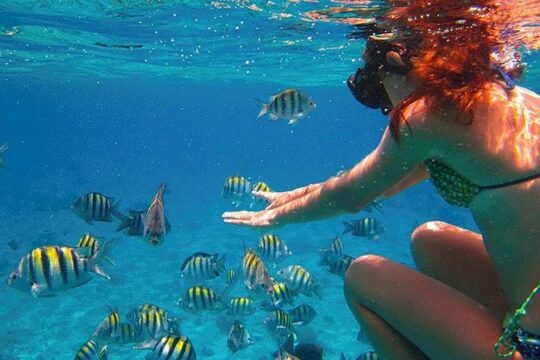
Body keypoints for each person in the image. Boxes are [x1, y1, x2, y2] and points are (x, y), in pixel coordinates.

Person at [223, 0, 540, 359]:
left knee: (362, 277)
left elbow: (350, 196)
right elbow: (380, 183)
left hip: (534, 344)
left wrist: (272, 218)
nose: (386, 107)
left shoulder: (426, 116)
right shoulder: (502, 96)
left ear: (396, 63)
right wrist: (291, 196)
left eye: (376, 82)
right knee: (429, 239)